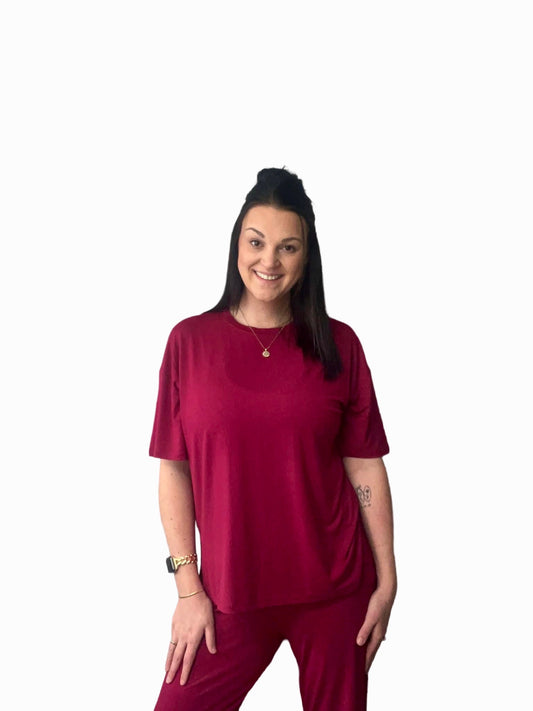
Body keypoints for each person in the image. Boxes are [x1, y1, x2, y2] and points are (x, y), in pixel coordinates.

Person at [148, 167, 397, 711]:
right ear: (237, 243)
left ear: (307, 257)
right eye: (256, 242)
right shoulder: (189, 343)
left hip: (336, 590)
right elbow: (174, 468)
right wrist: (188, 589)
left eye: (289, 247)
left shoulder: (339, 345)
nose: (270, 261)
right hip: (231, 593)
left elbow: (364, 465)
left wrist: (388, 577)